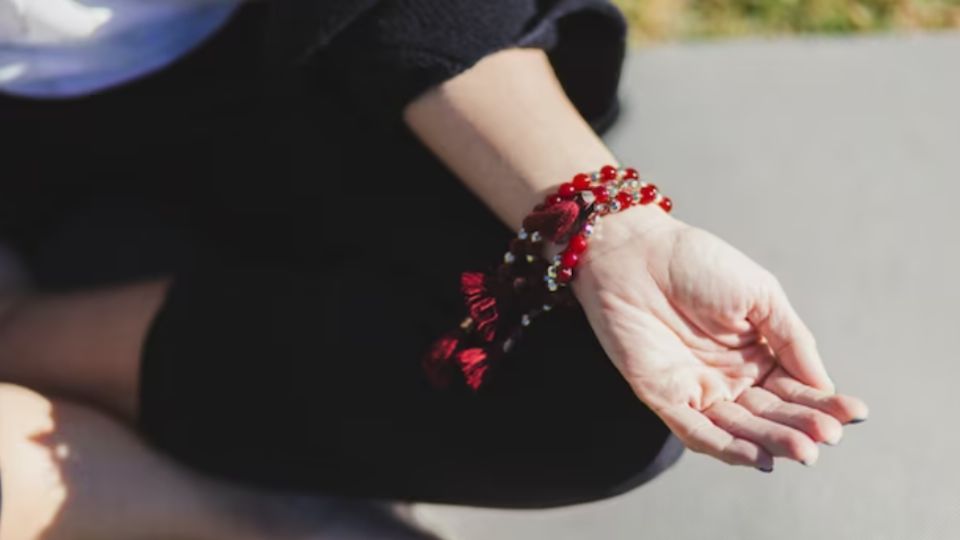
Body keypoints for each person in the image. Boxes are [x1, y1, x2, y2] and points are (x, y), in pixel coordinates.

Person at [0, 0, 869, 538]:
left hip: (295, 60)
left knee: (597, 387)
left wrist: (608, 229)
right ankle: (255, 520)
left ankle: (38, 350)